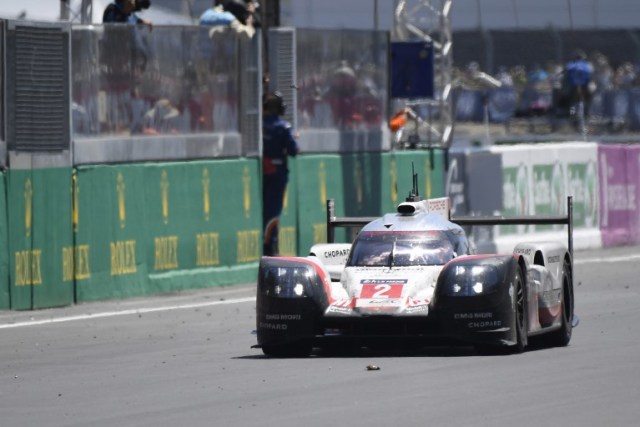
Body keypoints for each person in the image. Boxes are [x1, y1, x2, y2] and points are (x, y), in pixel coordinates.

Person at [262, 92, 299, 256]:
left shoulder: (259, 125)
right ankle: (271, 245)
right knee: (274, 210)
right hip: (277, 172)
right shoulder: (283, 127)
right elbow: (294, 150)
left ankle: (267, 243)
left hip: (263, 170)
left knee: (265, 208)